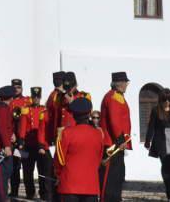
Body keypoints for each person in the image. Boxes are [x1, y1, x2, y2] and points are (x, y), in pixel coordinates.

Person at [54, 97, 105, 202]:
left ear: (73, 115)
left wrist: (58, 175)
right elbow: (98, 159)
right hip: (91, 186)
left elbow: (59, 159)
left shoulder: (66, 133)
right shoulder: (98, 134)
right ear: (89, 113)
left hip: (69, 185)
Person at [100, 72, 131, 202]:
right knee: (112, 176)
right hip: (113, 144)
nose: (126, 85)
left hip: (116, 143)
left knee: (117, 175)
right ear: (118, 84)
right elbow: (114, 120)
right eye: (125, 83)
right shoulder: (114, 97)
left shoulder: (116, 96)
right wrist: (120, 140)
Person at [19, 86, 51, 201]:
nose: (36, 99)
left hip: (40, 144)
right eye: (34, 97)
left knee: (42, 170)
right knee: (28, 170)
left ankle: (43, 192)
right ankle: (30, 192)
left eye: (38, 97)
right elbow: (22, 126)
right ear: (31, 97)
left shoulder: (44, 110)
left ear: (40, 97)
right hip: (28, 144)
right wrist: (21, 140)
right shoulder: (26, 110)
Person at [9, 79, 31, 197]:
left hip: (24, 139)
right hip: (14, 139)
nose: (16, 89)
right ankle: (14, 191)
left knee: (27, 167)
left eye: (18, 87)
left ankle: (29, 192)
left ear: (21, 88)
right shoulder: (10, 102)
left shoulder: (27, 101)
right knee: (15, 167)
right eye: (14, 87)